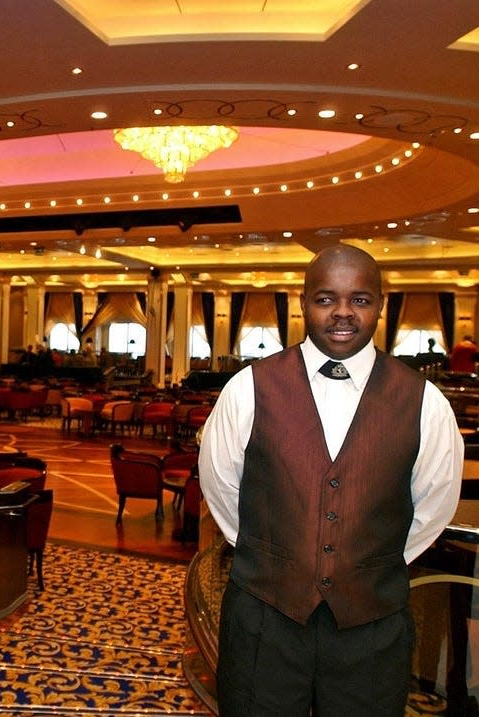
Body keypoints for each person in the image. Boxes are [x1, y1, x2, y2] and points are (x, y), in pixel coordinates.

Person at [199, 244, 462, 716]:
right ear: (303, 303)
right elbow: (221, 489)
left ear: (380, 305)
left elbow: (433, 506)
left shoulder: (425, 402)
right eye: (326, 299)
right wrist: (278, 555)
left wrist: (364, 564)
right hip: (264, 621)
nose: (343, 312)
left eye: (359, 299)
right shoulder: (247, 389)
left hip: (372, 631)